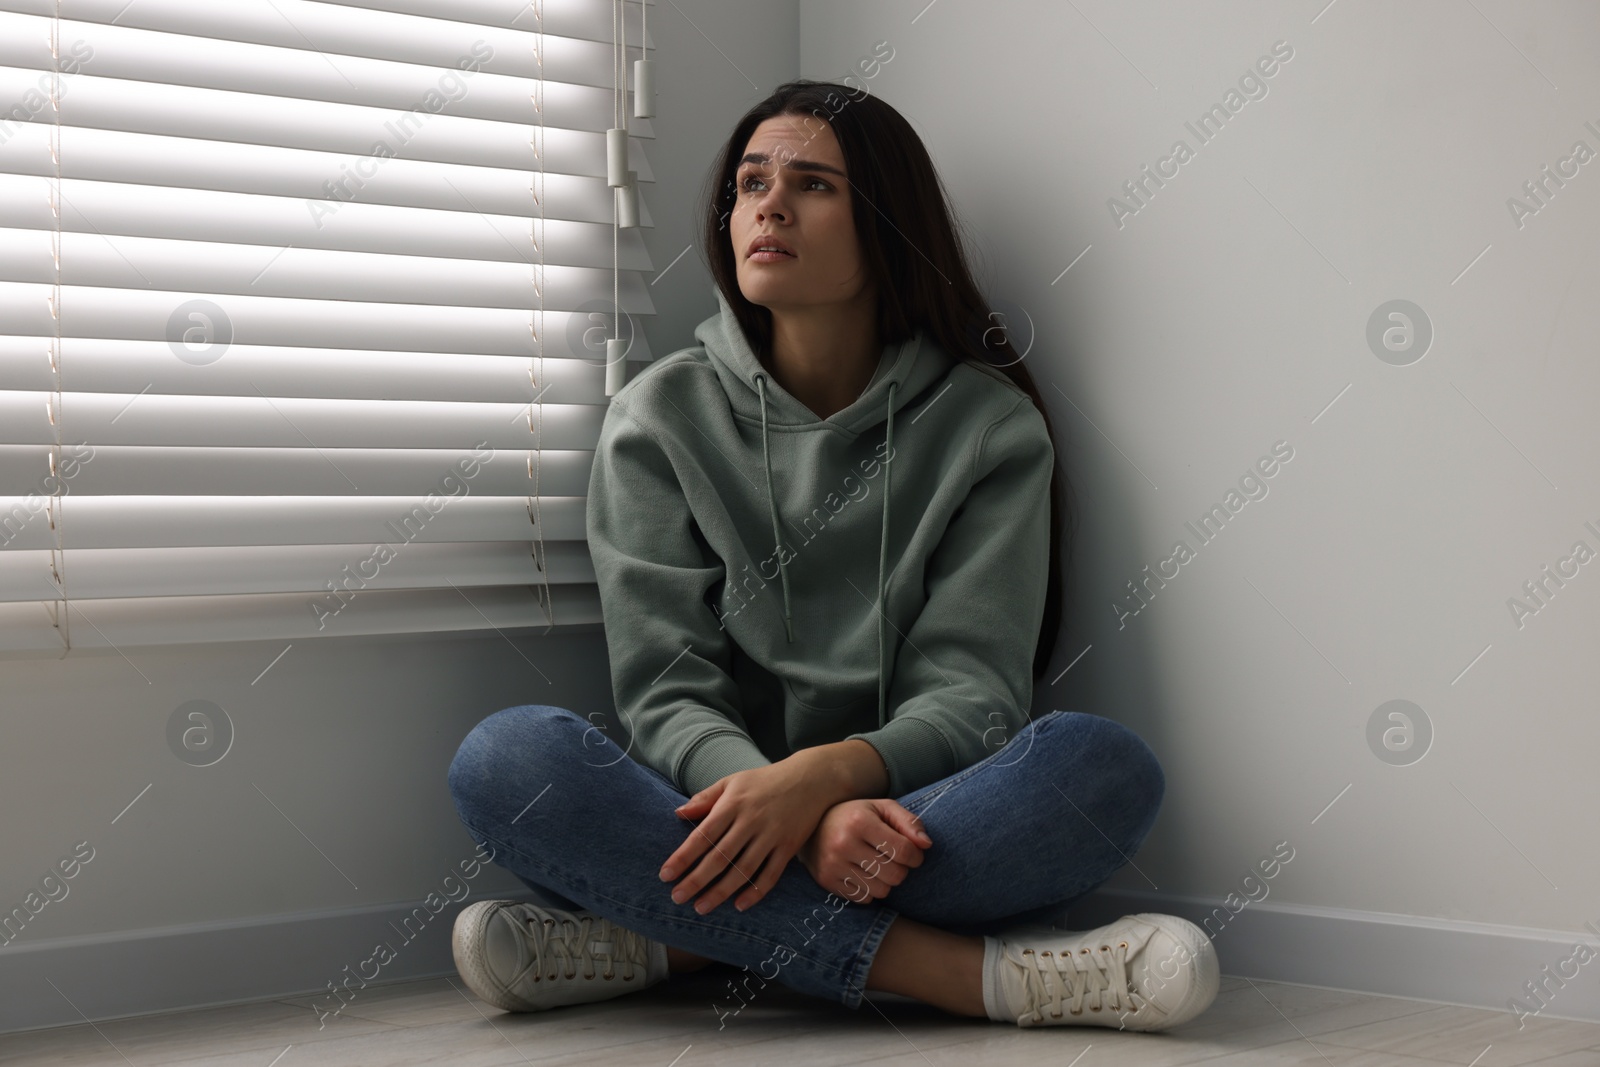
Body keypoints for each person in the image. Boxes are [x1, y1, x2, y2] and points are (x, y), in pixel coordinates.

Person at [447, 79, 1219, 1031]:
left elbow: (975, 692)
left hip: (908, 813)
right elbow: (668, 691)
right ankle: (975, 978)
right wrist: (796, 822)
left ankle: (666, 943)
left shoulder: (986, 426)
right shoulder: (658, 417)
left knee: (1103, 769)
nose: (766, 204)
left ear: (888, 225)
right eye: (749, 182)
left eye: (813, 184)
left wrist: (825, 784)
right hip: (712, 803)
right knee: (506, 758)